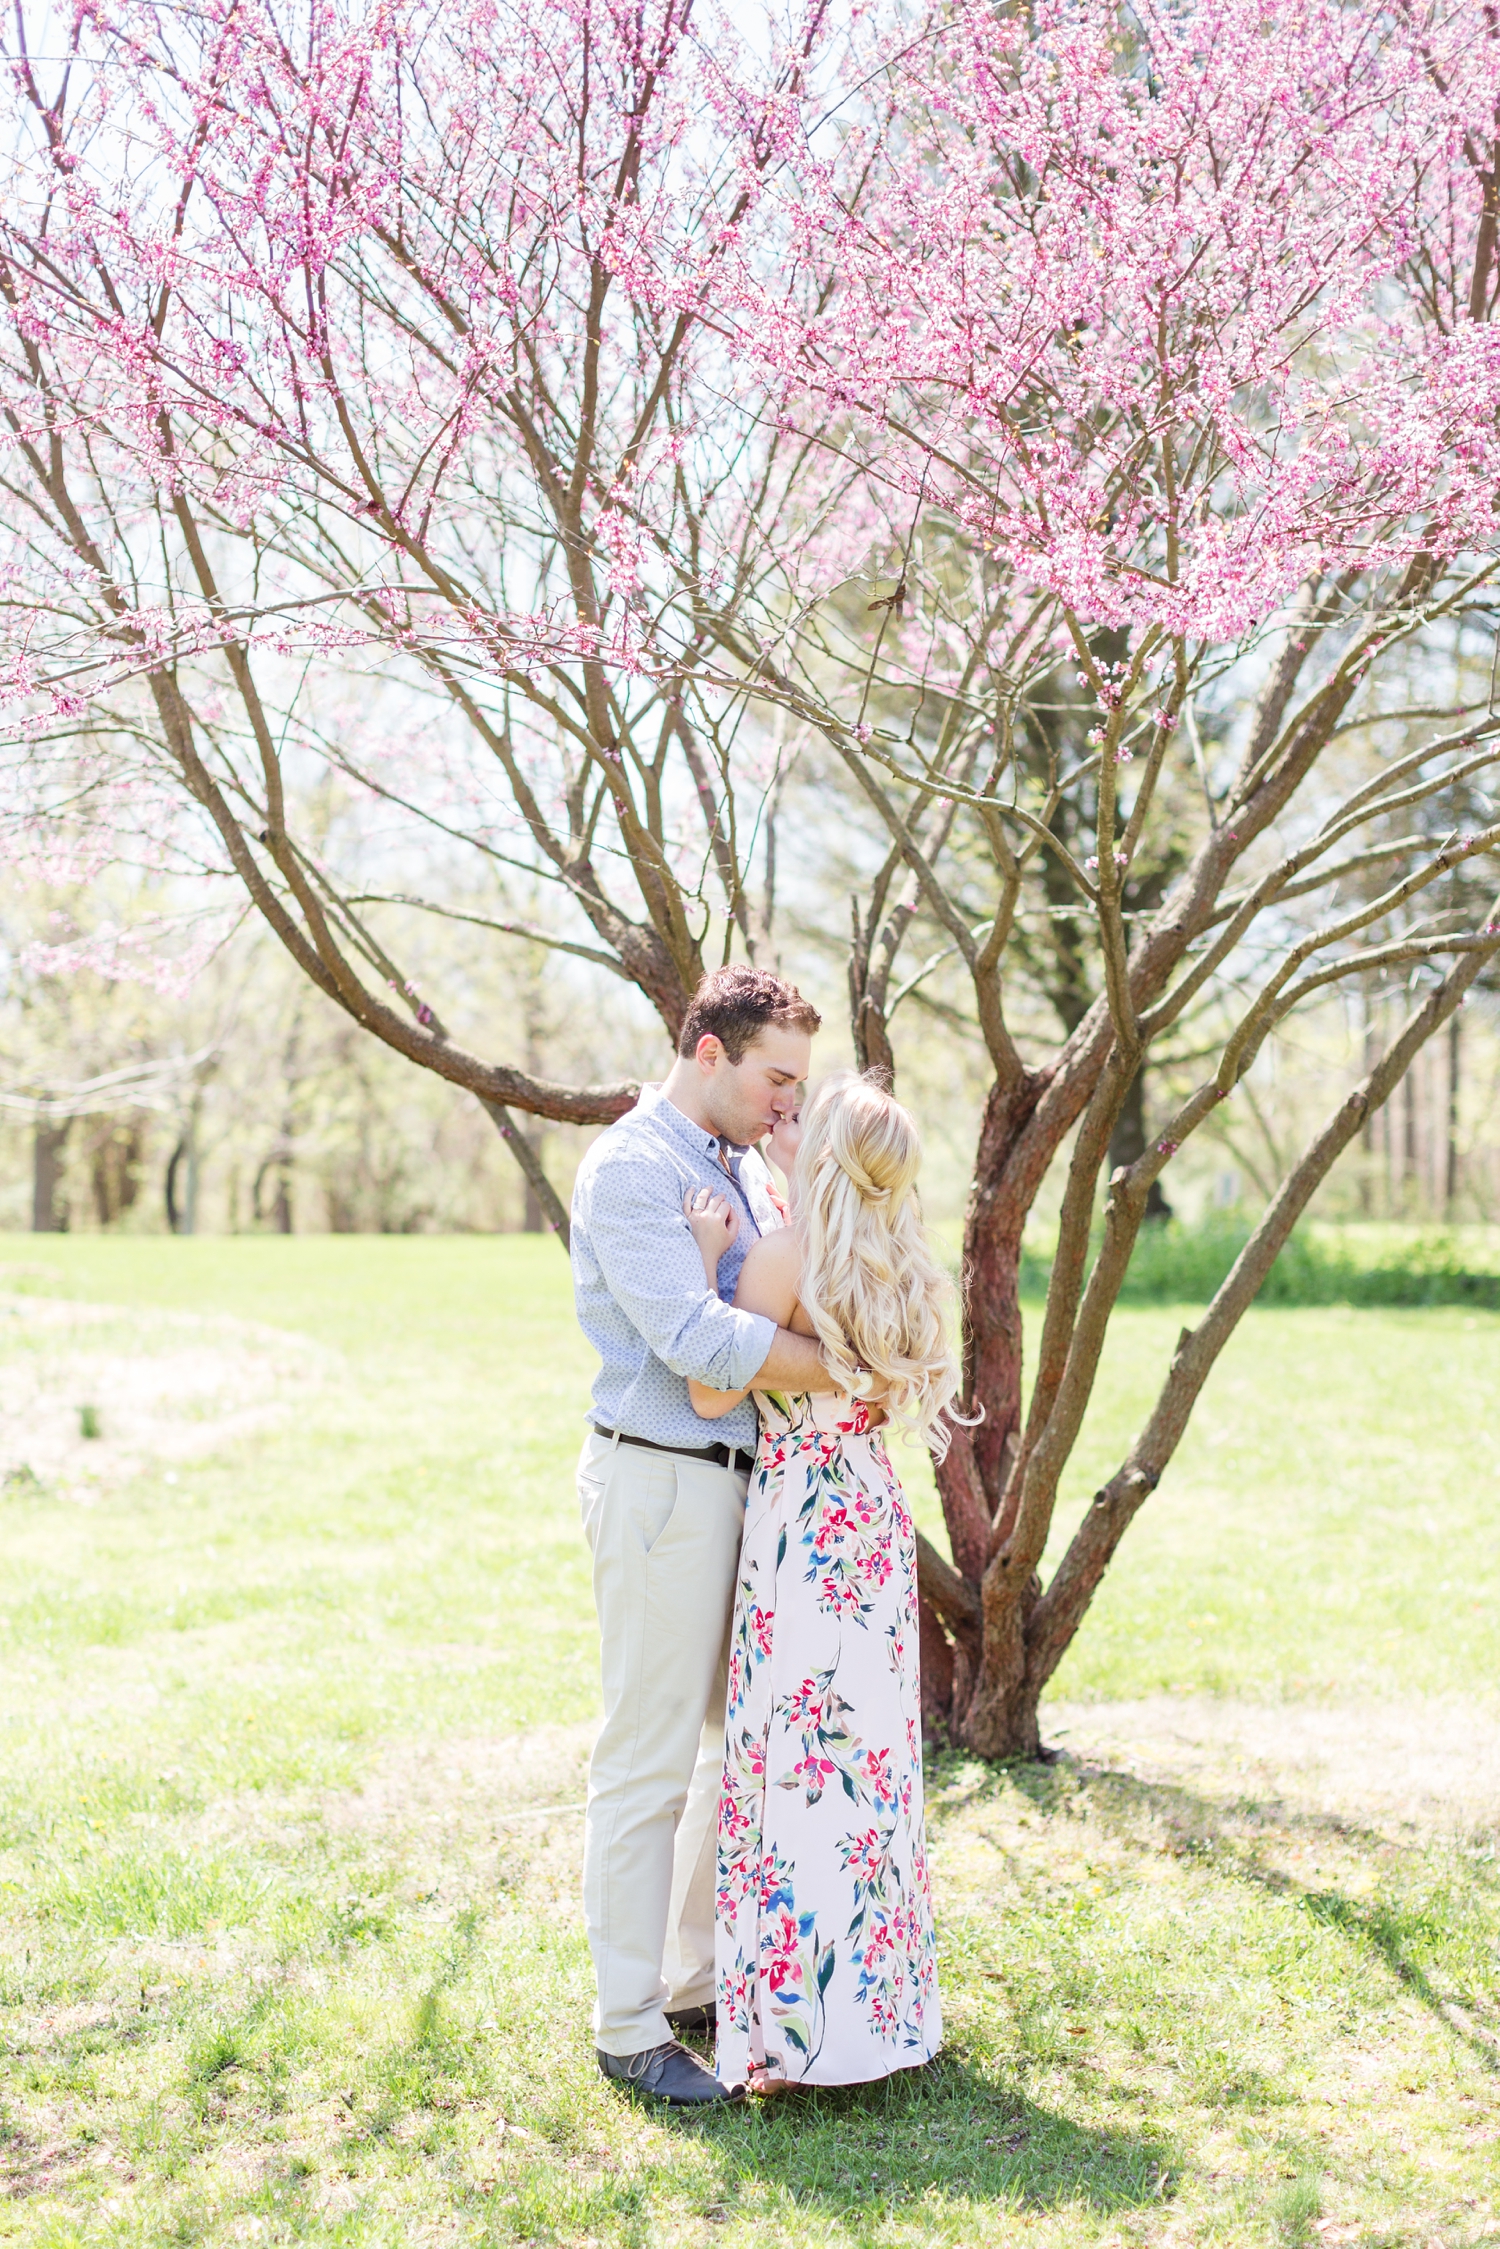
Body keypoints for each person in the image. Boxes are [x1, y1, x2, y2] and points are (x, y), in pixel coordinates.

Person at [568, 964, 836, 2108]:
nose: (789, 1101)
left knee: (738, 1745)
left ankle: (689, 1976)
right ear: (711, 1050)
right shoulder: (634, 1166)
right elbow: (694, 1339)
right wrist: (849, 1371)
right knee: (646, 1758)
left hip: (741, 1488)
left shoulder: (737, 1173)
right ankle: (627, 2025)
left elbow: (760, 1298)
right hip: (662, 1483)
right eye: (778, 1076)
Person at [685, 1072, 959, 2093]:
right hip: (872, 1523)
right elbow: (880, 1388)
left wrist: (714, 1263)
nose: (780, 1126)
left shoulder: (786, 1253)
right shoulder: (905, 1266)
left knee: (792, 1764)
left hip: (800, 1521)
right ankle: (882, 2022)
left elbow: (716, 1382)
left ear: (830, 1155)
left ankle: (790, 2044)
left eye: (802, 1121)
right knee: (869, 1772)